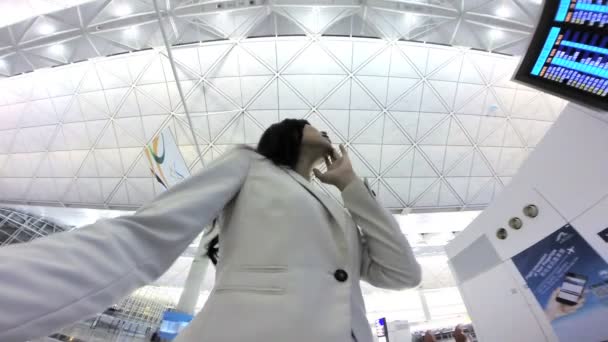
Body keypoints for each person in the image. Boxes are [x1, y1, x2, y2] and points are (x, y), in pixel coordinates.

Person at [0, 119, 421, 342]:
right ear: (288, 134)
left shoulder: (340, 206)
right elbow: (147, 235)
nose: (324, 131)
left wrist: (351, 187)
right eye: (312, 124)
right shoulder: (249, 165)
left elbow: (403, 274)